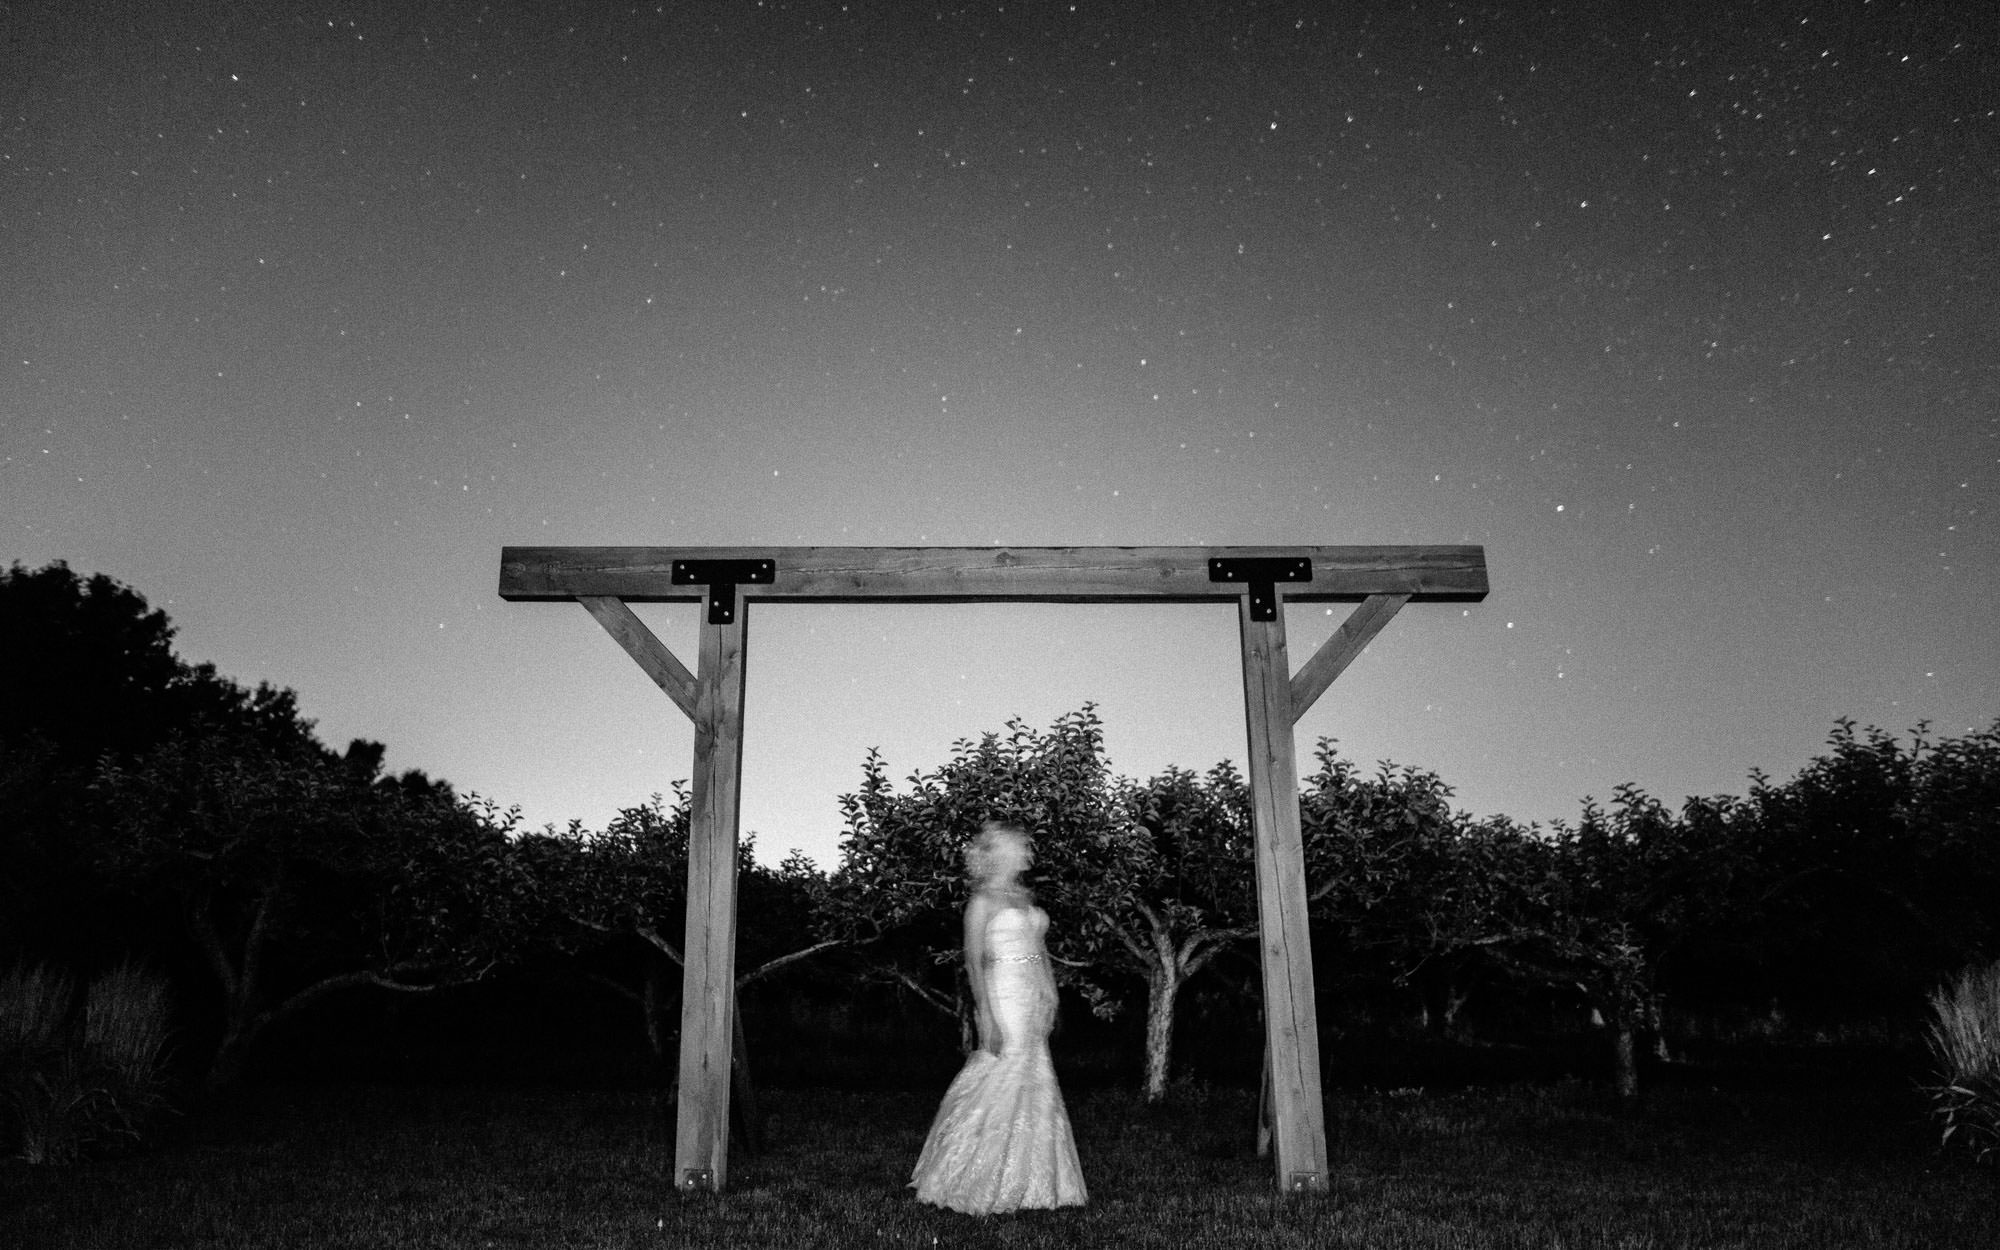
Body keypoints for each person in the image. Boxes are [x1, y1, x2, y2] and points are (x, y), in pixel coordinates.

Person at [909, 820, 1088, 1214]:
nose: (1028, 853)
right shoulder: (982, 901)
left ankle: (1035, 1182)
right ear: (1002, 852)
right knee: (1001, 1076)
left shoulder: (1024, 895)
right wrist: (984, 1015)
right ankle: (969, 1175)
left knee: (1034, 1078)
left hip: (1031, 995)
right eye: (1021, 846)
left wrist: (1051, 993)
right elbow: (974, 963)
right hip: (1002, 994)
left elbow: (1038, 951)